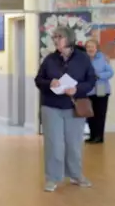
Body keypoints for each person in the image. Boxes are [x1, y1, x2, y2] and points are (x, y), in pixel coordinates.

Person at [34, 25, 96, 192]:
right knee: (54, 144)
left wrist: (77, 89)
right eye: (54, 38)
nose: (56, 40)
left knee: (74, 143)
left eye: (59, 37)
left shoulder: (82, 59)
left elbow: (91, 81)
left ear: (68, 39)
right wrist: (49, 83)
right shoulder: (49, 59)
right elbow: (38, 80)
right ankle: (52, 178)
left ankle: (76, 175)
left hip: (74, 106)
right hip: (51, 106)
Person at [85, 38, 114, 144]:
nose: (90, 49)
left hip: (101, 88)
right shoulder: (84, 59)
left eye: (92, 46)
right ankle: (92, 135)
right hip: (88, 90)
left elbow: (110, 73)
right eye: (88, 47)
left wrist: (99, 76)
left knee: (100, 114)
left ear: (97, 48)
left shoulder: (103, 58)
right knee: (90, 114)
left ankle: (99, 136)